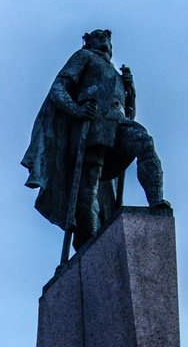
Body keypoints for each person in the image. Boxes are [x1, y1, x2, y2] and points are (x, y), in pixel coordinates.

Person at [22, 29, 170, 250]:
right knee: (89, 184)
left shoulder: (119, 75)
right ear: (88, 43)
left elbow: (129, 114)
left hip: (117, 124)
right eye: (98, 37)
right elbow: (58, 89)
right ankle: (91, 242)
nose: (104, 42)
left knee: (144, 142)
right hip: (91, 126)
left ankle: (156, 200)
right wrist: (77, 109)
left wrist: (131, 91)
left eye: (107, 39)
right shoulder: (84, 57)